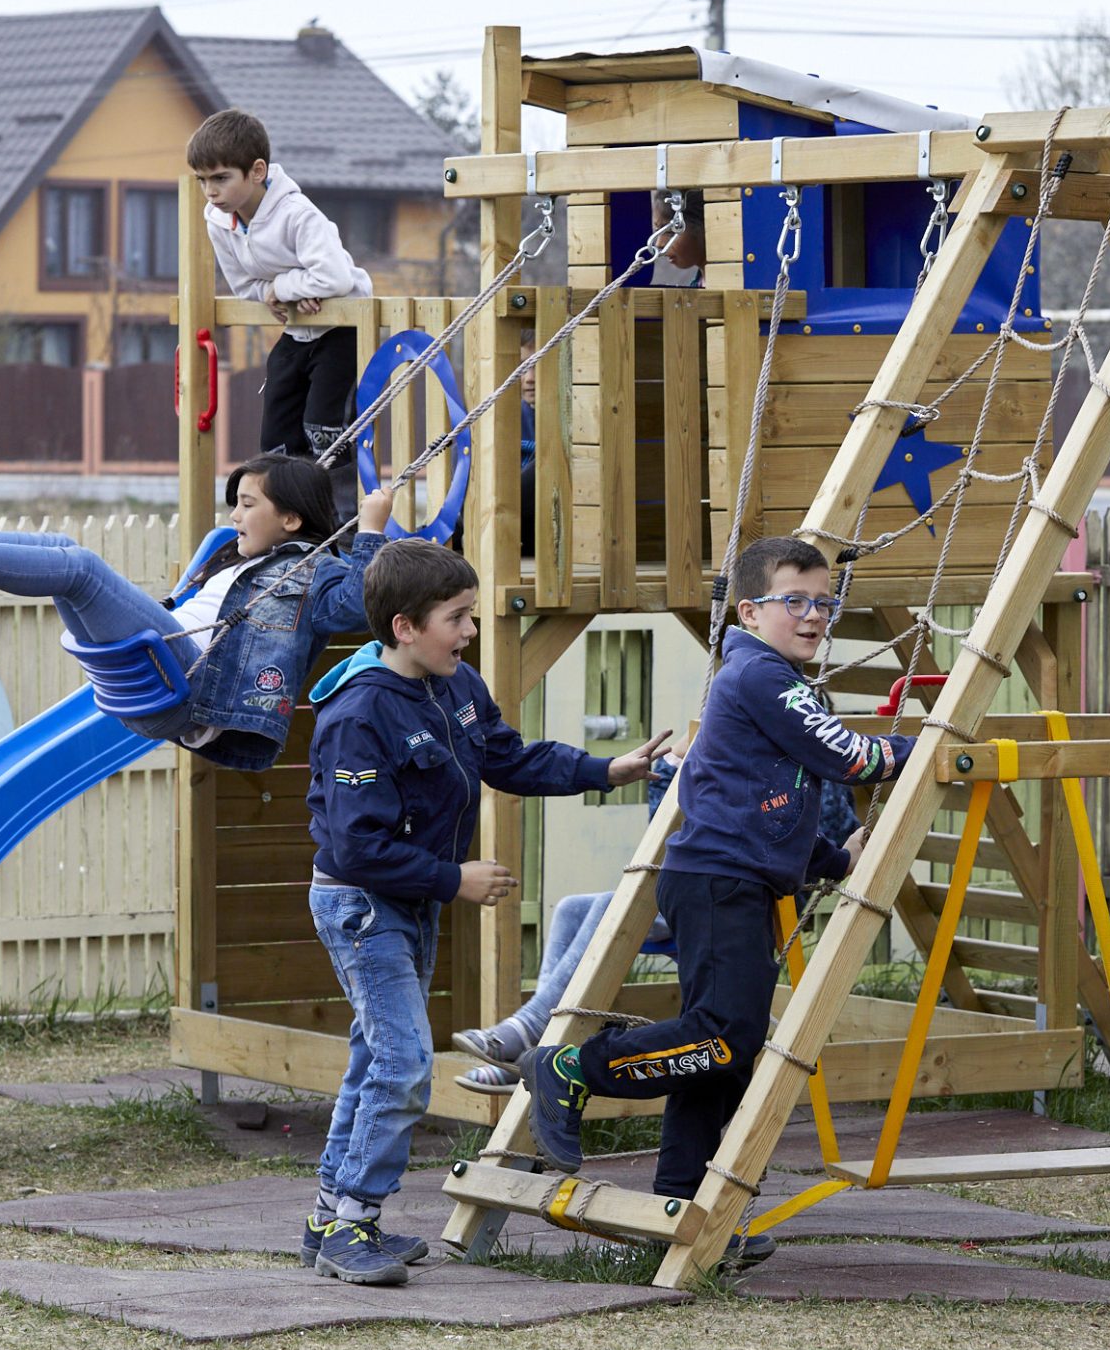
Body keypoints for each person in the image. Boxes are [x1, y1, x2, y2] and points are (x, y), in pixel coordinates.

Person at [299, 537, 670, 1284]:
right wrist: (453, 877)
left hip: (409, 903)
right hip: (363, 907)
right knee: (404, 1064)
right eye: (457, 618)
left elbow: (509, 757)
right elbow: (356, 845)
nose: (471, 631)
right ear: (405, 627)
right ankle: (352, 1225)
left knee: (377, 1056)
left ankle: (328, 1217)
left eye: (470, 615)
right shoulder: (359, 713)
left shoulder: (455, 683)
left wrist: (607, 769)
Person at [518, 536, 904, 1227]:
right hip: (719, 883)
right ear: (749, 611)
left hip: (729, 880)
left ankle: (680, 1197)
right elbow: (850, 756)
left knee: (717, 1053)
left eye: (824, 602)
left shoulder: (770, 679)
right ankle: (574, 1068)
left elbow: (762, 806)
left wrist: (833, 860)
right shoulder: (761, 677)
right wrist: (925, 745)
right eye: (795, 601)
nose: (814, 615)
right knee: (724, 1039)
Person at [0, 448, 382, 770]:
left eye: (247, 505)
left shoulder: (315, 573)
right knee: (61, 550)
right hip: (162, 662)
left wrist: (372, 531)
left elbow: (359, 607)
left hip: (189, 687)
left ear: (291, 520)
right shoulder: (236, 557)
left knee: (79, 568)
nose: (234, 517)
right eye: (235, 504)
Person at [450, 765, 860, 1093]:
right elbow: (666, 829)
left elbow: (812, 836)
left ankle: (534, 1036)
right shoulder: (731, 756)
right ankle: (539, 1041)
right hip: (700, 884)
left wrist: (838, 852)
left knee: (613, 907)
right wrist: (672, 767)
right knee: (574, 908)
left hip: (747, 898)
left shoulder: (802, 770)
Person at [188, 106, 370, 515]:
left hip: (340, 328)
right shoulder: (218, 220)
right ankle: (281, 519)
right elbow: (244, 286)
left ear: (257, 171)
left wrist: (282, 288)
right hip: (298, 329)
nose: (210, 191)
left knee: (325, 429)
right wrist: (286, 292)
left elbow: (335, 278)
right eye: (202, 180)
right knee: (277, 427)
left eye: (221, 178)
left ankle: (342, 523)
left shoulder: (296, 214)